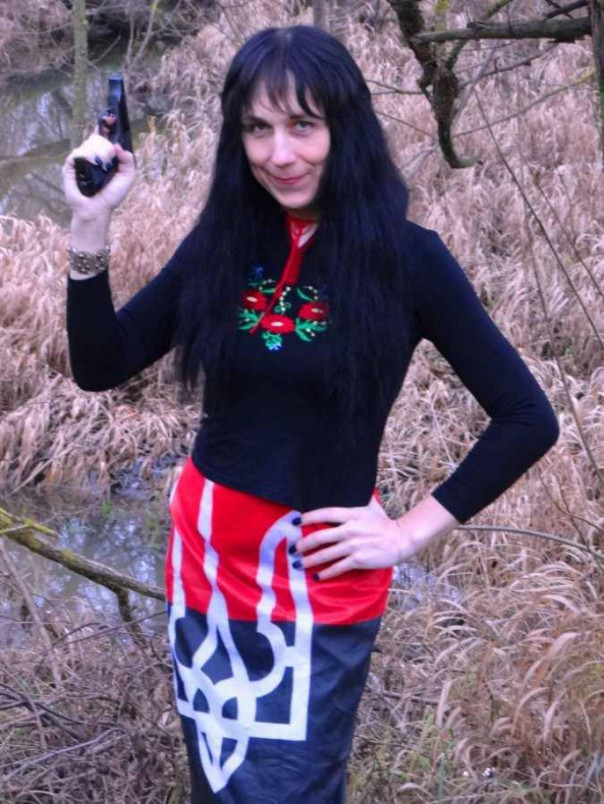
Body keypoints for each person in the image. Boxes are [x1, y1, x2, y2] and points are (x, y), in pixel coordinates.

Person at [62, 24, 559, 804]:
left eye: (303, 125)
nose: (280, 154)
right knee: (218, 781)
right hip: (207, 567)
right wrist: (90, 224)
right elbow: (101, 365)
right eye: (257, 129)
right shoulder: (225, 241)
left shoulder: (409, 259)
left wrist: (406, 534)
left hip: (318, 581)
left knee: (293, 789)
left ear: (345, 127)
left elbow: (527, 417)